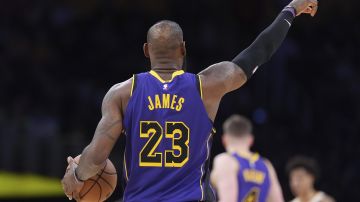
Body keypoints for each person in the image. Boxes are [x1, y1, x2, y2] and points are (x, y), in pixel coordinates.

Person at [61, 0, 318, 201]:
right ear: (183, 49)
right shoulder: (206, 86)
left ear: (146, 51)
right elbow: (258, 53)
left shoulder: (122, 93)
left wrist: (76, 175)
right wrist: (291, 9)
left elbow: (95, 158)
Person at [211, 115, 284, 202]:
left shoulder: (225, 160)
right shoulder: (266, 165)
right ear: (251, 140)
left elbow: (229, 200)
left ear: (224, 139)